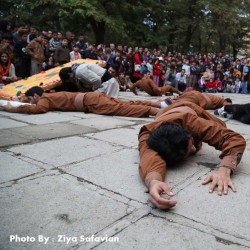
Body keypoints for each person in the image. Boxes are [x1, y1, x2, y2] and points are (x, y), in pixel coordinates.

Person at [138, 101, 246, 209]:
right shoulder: (148, 135)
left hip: (186, 106)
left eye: (192, 143)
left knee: (221, 125)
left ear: (188, 132)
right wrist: (153, 182)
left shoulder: (190, 122)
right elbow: (149, 157)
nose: (194, 148)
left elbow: (232, 138)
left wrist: (225, 169)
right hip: (163, 113)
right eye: (190, 151)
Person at [0, 86, 161, 117]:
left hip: (90, 101)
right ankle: (158, 105)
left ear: (36, 96)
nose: (32, 102)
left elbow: (37, 110)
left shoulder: (45, 98)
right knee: (125, 105)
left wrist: (12, 109)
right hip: (91, 98)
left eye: (30, 99)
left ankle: (158, 111)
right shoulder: (51, 95)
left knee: (124, 109)